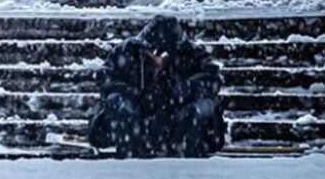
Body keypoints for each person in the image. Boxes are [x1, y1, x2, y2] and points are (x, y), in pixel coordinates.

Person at [88, 15, 225, 158]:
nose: (159, 58)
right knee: (115, 101)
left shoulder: (192, 54)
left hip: (176, 119)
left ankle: (186, 156)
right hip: (137, 118)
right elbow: (105, 79)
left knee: (203, 105)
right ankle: (132, 155)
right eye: (154, 51)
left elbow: (212, 79)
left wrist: (184, 90)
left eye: (165, 54)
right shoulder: (126, 51)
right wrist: (132, 92)